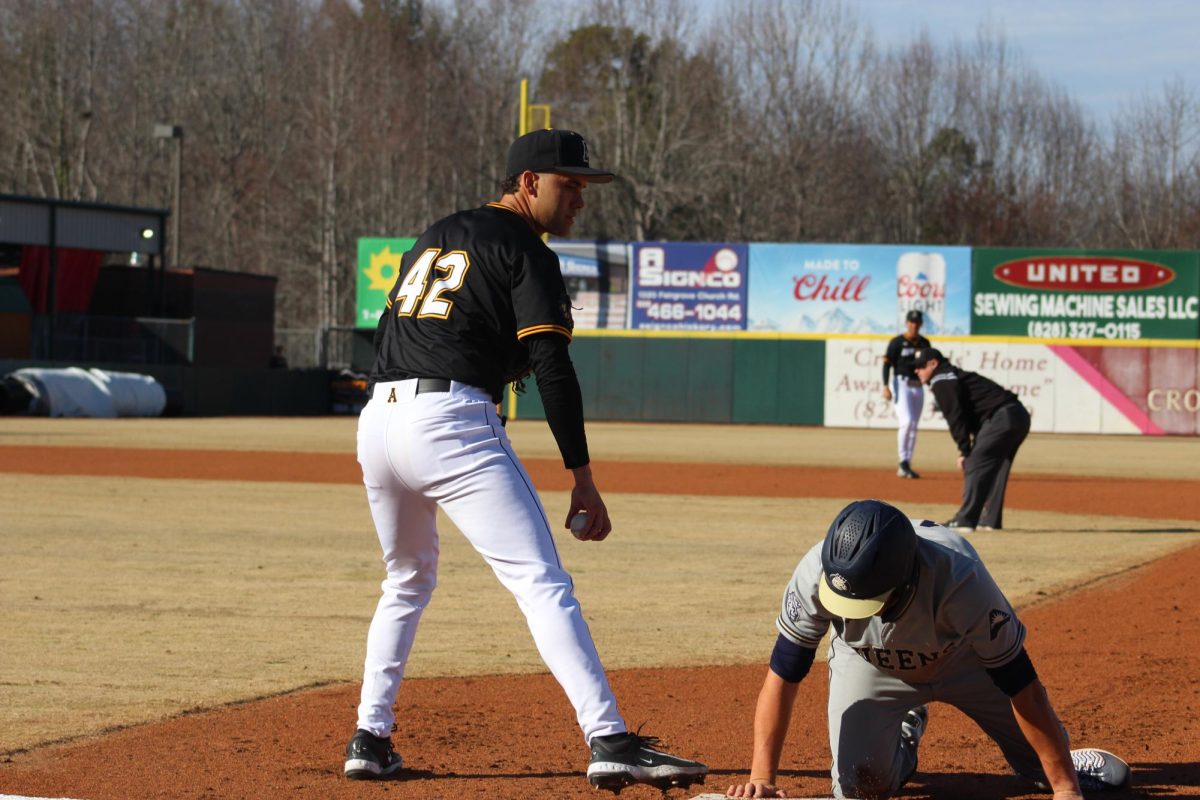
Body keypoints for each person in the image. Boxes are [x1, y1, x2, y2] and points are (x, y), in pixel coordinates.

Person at [344, 128, 708, 793]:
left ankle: (369, 737)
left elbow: (403, 329)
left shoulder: (436, 233)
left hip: (379, 421)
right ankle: (610, 738)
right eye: (570, 186)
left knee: (405, 580)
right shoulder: (526, 251)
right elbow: (552, 370)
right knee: (542, 584)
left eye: (585, 188)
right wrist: (583, 480)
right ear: (529, 183)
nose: (580, 200)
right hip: (449, 423)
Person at [726, 499, 1131, 799]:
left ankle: (1068, 762)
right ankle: (905, 726)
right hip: (873, 664)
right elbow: (784, 673)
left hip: (966, 663)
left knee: (1042, 769)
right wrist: (763, 778)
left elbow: (1021, 684)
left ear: (907, 579)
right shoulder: (817, 573)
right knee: (861, 787)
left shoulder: (962, 580)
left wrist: (1065, 790)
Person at [912, 348, 1031, 532]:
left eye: (920, 366)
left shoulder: (941, 379)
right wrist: (970, 448)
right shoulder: (953, 376)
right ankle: (990, 520)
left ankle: (965, 520)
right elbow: (975, 419)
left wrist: (965, 451)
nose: (916, 370)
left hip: (1002, 416)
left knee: (975, 462)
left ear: (933, 364)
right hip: (1019, 415)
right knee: (996, 466)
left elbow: (955, 417)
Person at [881, 310, 931, 479]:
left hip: (918, 385)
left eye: (917, 322)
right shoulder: (897, 342)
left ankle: (907, 463)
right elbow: (887, 364)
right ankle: (902, 461)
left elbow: (929, 367)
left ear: (921, 324)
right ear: (906, 322)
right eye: (911, 321)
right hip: (901, 383)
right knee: (907, 422)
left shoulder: (924, 343)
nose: (914, 325)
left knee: (914, 425)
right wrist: (885, 386)